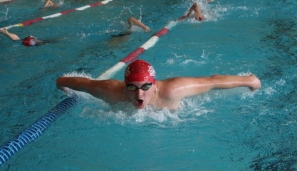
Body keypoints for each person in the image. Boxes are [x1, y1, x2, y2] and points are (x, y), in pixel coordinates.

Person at [56, 59, 261, 110]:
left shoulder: (172, 90)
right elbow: (82, 83)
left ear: (154, 86)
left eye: (145, 87)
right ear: (124, 86)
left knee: (209, 81)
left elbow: (213, 82)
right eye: (132, 87)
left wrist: (249, 81)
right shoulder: (111, 91)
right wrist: (62, 83)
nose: (139, 93)